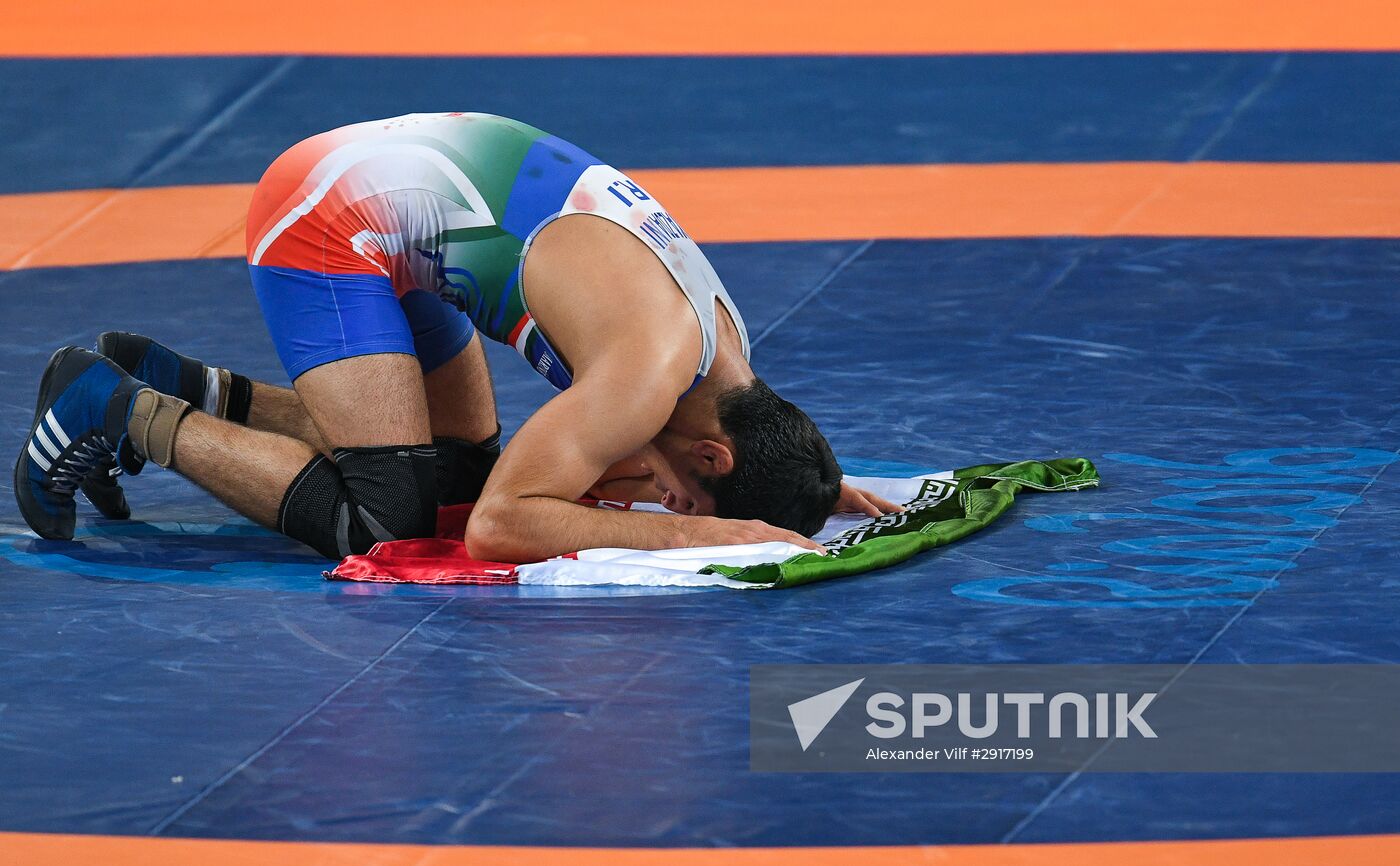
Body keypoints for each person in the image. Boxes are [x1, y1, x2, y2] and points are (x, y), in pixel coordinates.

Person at [14, 112, 898, 563]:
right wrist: (710, 539)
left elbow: (705, 455)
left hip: (408, 205)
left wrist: (812, 485)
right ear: (711, 454)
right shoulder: (649, 368)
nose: (670, 507)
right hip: (332, 214)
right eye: (691, 497)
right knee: (382, 521)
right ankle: (115, 403)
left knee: (457, 469)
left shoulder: (722, 360)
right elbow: (500, 530)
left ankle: (179, 379)